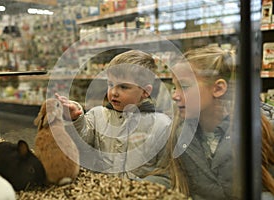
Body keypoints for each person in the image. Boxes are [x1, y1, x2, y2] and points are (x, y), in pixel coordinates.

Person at [55, 50, 171, 183]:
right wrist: (75, 119)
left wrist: (137, 189)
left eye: (123, 87)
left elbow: (165, 174)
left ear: (145, 91)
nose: (114, 92)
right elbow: (81, 143)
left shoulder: (162, 126)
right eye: (110, 84)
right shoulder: (97, 115)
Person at [157, 45, 239, 199]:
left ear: (218, 89)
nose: (175, 95)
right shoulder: (178, 132)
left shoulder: (260, 132)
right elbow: (169, 176)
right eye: (175, 87)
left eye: (184, 86)